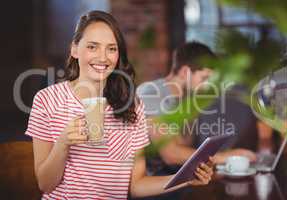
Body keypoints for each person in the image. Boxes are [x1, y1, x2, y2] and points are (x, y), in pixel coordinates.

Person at [25, 11, 214, 200]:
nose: (103, 57)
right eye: (92, 47)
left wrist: (185, 178)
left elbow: (136, 185)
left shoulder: (132, 106)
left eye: (111, 49)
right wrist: (63, 144)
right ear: (74, 49)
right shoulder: (46, 100)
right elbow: (45, 184)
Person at [137, 42, 256, 175]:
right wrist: (225, 158)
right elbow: (170, 154)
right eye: (204, 78)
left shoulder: (189, 99)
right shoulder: (151, 93)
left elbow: (185, 146)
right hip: (153, 181)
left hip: (178, 174)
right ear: (185, 72)